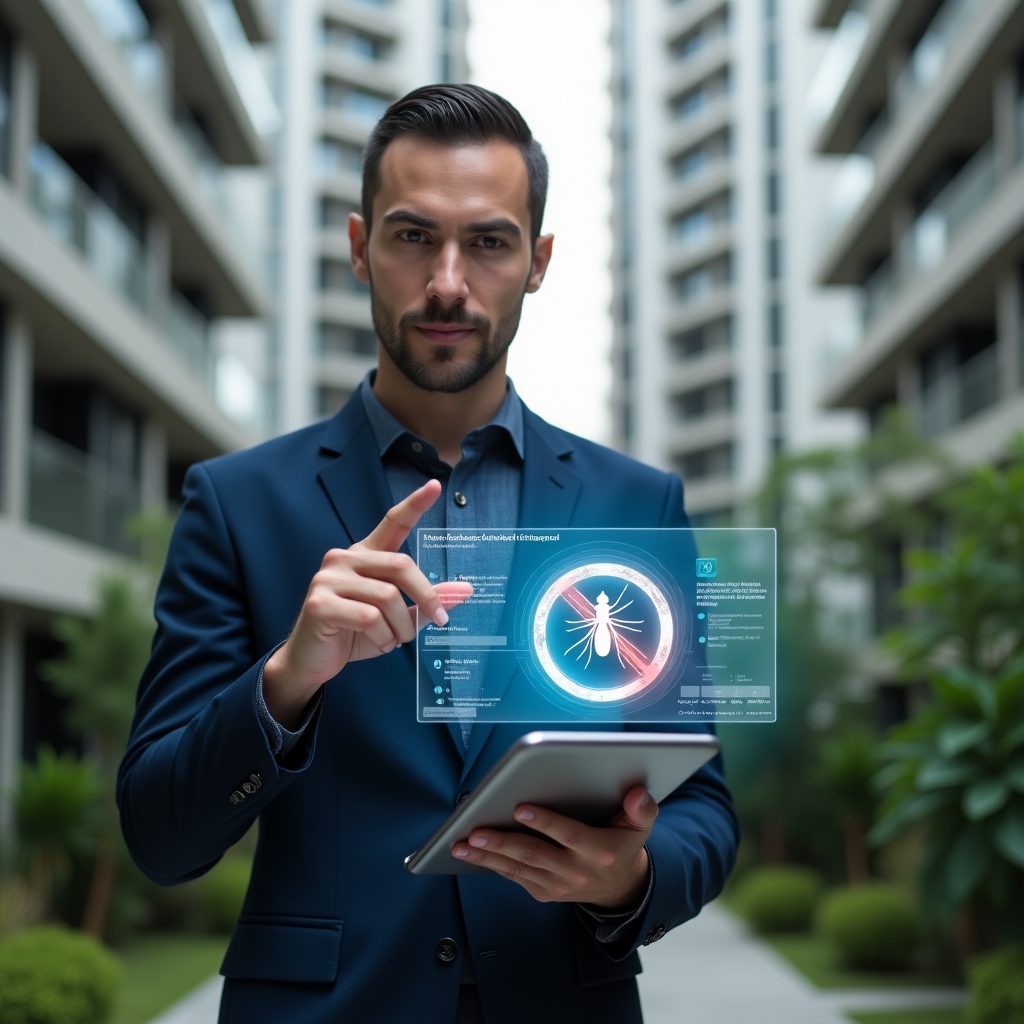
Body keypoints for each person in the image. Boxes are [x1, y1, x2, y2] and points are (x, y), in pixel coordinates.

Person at [118, 84, 738, 1024]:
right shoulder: (236, 503)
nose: (448, 282)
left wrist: (630, 878)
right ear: (360, 247)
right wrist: (287, 680)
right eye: (413, 237)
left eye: (489, 242)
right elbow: (161, 838)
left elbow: (705, 809)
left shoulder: (637, 505)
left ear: (537, 262)